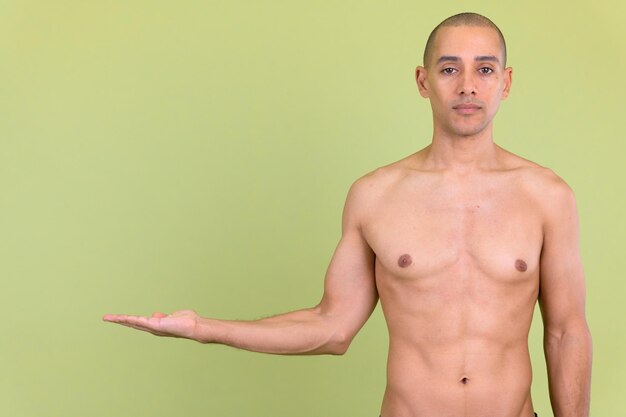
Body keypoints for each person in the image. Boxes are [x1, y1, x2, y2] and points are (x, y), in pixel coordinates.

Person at [103, 12, 592, 417]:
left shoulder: (547, 196)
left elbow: (566, 331)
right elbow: (332, 327)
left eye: (484, 69)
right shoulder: (375, 195)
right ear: (423, 81)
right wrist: (203, 327)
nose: (467, 85)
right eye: (449, 69)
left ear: (505, 83)